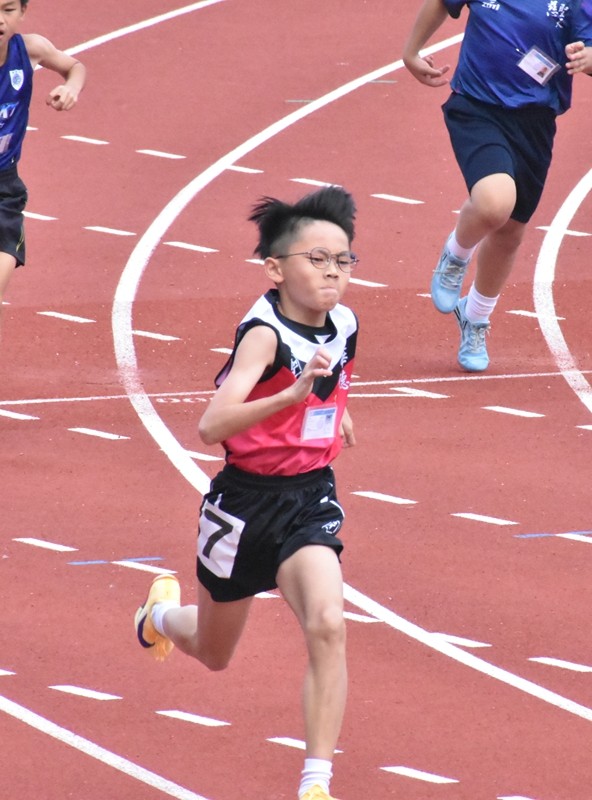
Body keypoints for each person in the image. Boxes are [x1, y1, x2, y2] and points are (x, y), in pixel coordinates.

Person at [135, 185, 360, 800]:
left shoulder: (344, 322)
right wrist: (290, 397)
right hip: (243, 505)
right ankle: (158, 616)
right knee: (214, 652)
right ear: (275, 269)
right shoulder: (264, 335)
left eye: (343, 260)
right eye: (318, 259)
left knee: (329, 624)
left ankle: (316, 781)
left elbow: (334, 373)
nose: (333, 272)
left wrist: (335, 410)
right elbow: (211, 426)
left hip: (309, 497)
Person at [403, 0, 592, 371]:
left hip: (535, 120)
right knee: (494, 203)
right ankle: (456, 255)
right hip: (477, 106)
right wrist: (411, 52)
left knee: (510, 233)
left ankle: (475, 316)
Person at [0, 0, 86, 346]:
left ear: (23, 12)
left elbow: (75, 66)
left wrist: (71, 87)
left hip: (4, 190)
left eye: (7, 9)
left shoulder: (30, 48)